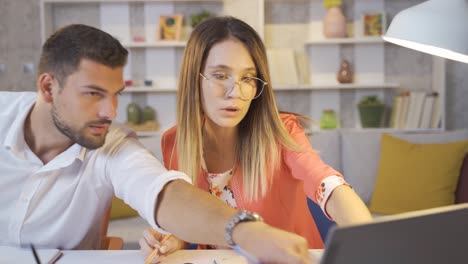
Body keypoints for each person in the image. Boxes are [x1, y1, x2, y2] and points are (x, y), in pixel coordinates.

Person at [0, 24, 313, 264]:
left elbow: (164, 192)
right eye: (93, 93)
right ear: (48, 87)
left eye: (116, 94)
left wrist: (246, 230)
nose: (111, 112)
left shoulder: (111, 144)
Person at [140, 16, 373, 261]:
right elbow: (190, 217)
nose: (236, 93)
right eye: (220, 75)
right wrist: (172, 238)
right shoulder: (174, 142)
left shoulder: (282, 131)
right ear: (194, 79)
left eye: (248, 79)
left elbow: (325, 183)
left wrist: (370, 239)